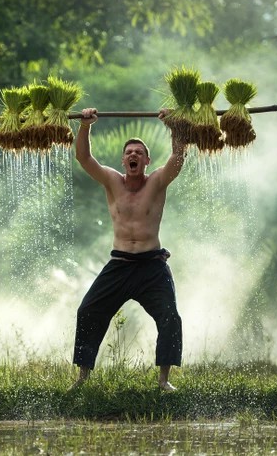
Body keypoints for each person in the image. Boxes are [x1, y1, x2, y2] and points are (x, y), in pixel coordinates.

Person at [71, 107, 187, 391]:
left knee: (170, 317)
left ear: (147, 160)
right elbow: (84, 158)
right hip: (120, 263)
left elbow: (178, 158)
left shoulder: (157, 181)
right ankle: (83, 378)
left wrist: (174, 127)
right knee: (88, 311)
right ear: (123, 160)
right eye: (129, 153)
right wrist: (86, 125)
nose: (133, 155)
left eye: (139, 152)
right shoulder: (112, 181)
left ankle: (163, 381)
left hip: (152, 265)